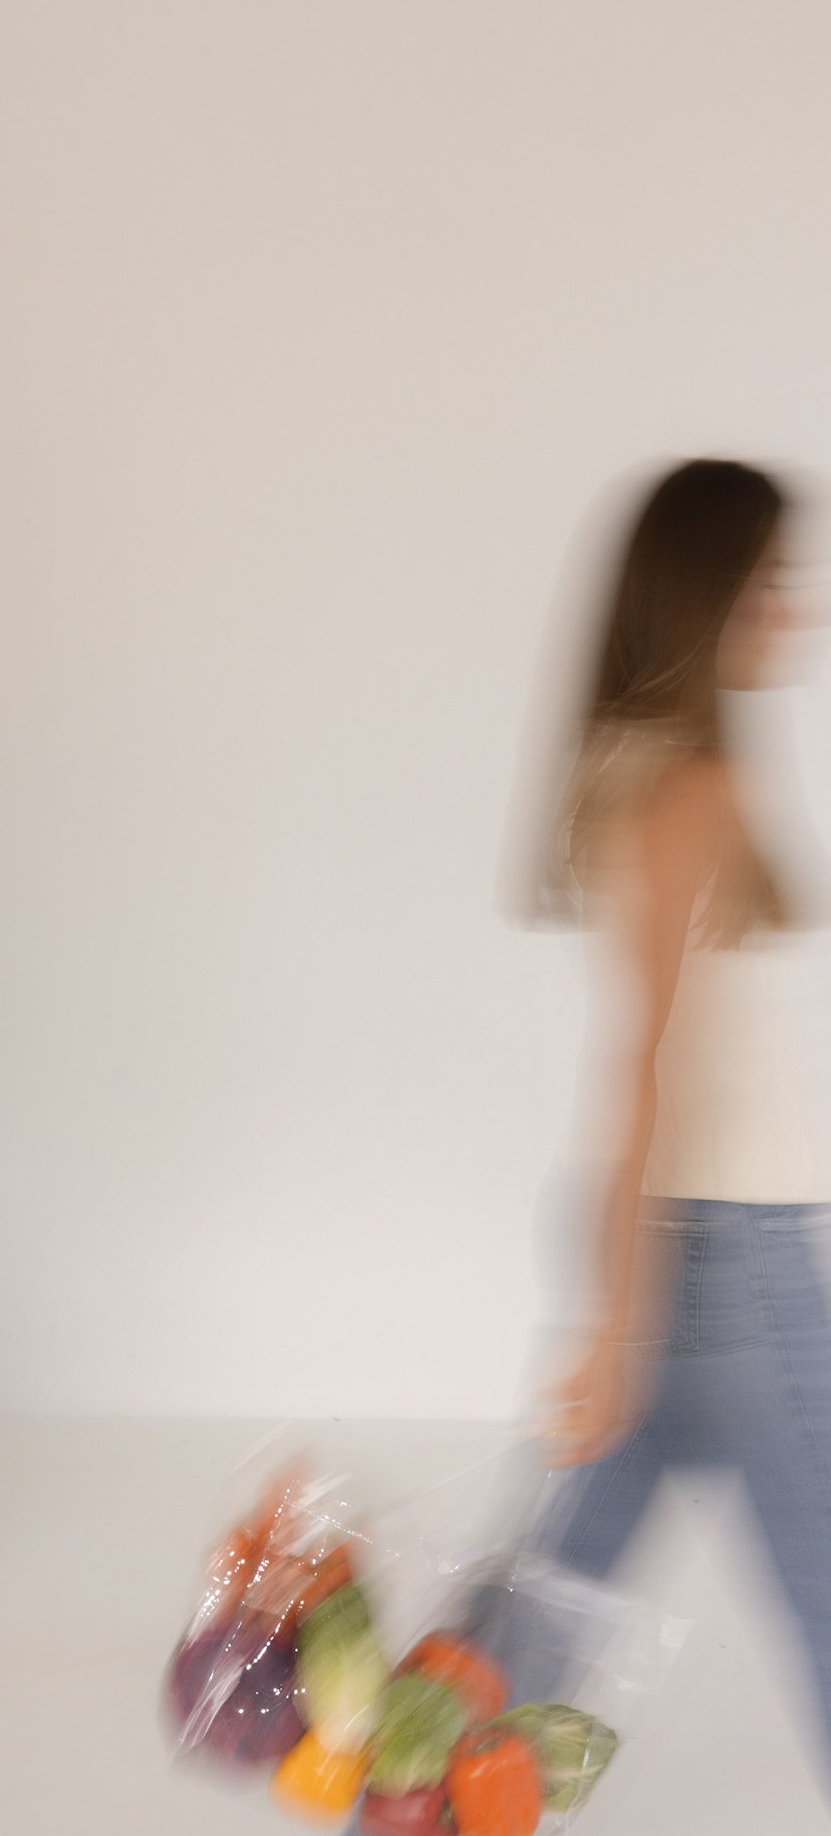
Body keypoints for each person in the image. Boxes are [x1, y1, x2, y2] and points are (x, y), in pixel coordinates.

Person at [521, 458, 831, 1773]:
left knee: (557, 1587)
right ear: (707, 592)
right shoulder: (684, 788)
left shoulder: (638, 763)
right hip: (718, 1256)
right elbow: (645, 1059)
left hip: (690, 1245)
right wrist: (615, 1319)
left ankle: (408, 1784)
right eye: (769, 581)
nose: (795, 610)